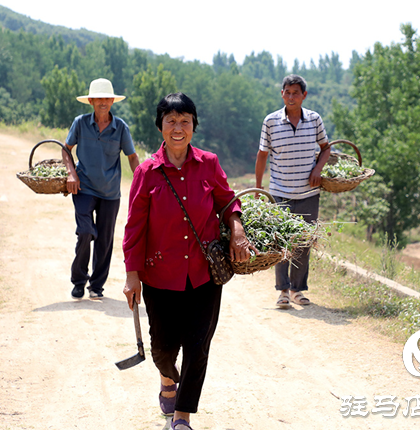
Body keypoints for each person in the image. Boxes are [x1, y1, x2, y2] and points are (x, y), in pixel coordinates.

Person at [122, 93, 257, 430]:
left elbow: (228, 203)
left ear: (194, 126)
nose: (178, 127)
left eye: (185, 121)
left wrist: (237, 228)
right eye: (171, 121)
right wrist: (131, 274)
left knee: (198, 346)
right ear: (161, 127)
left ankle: (182, 416)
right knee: (163, 348)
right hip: (159, 276)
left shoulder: (209, 163)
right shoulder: (147, 173)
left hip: (202, 275)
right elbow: (134, 227)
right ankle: (168, 378)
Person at [255, 74, 330, 309]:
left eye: (295, 92)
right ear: (282, 94)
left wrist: (319, 167)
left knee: (303, 243)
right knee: (280, 243)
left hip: (308, 193)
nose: (290, 97)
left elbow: (326, 148)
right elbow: (262, 156)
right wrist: (258, 188)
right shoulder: (271, 121)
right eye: (286, 92)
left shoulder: (314, 120)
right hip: (280, 192)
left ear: (304, 95)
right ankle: (283, 291)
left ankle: (298, 290)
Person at [62, 78, 140, 301]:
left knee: (105, 240)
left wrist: (142, 182)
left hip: (110, 193)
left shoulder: (121, 128)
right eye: (98, 98)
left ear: (112, 101)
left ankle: (96, 286)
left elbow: (132, 157)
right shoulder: (80, 123)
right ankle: (78, 281)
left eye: (107, 98)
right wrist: (71, 173)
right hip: (84, 188)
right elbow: (66, 150)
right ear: (91, 101)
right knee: (86, 233)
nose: (103, 102)